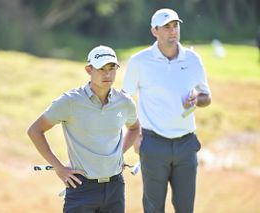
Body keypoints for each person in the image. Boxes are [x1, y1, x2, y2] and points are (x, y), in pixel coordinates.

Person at [27, 45, 140, 213]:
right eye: (101, 68)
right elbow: (35, 131)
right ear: (89, 69)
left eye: (111, 68)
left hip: (115, 188)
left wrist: (118, 154)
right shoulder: (70, 101)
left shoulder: (124, 102)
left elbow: (134, 128)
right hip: (81, 188)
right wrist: (59, 168)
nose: (107, 74)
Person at [122, 8, 212, 213]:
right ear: (154, 31)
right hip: (153, 144)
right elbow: (124, 101)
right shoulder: (139, 61)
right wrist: (135, 136)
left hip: (187, 145)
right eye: (166, 27)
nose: (173, 31)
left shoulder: (192, 59)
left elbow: (207, 96)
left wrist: (198, 98)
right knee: (153, 209)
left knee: (185, 208)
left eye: (175, 26)